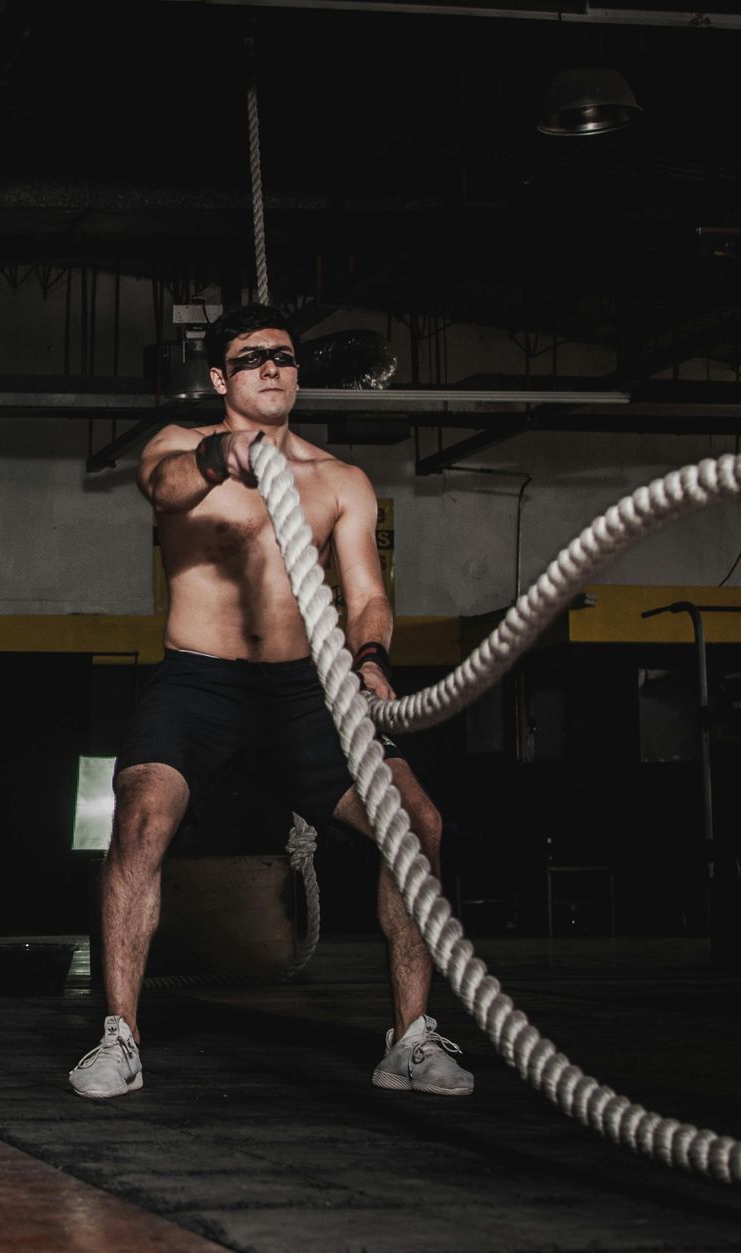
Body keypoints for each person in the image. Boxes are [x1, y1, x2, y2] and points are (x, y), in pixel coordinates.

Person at [68, 304, 471, 1101]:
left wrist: (370, 660)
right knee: (141, 814)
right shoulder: (181, 450)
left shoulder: (341, 481)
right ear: (221, 378)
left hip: (303, 693)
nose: (272, 368)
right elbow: (164, 485)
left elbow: (366, 596)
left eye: (283, 357)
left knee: (417, 825)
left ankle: (411, 1038)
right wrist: (228, 455)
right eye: (251, 358)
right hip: (198, 683)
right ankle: (120, 1035)